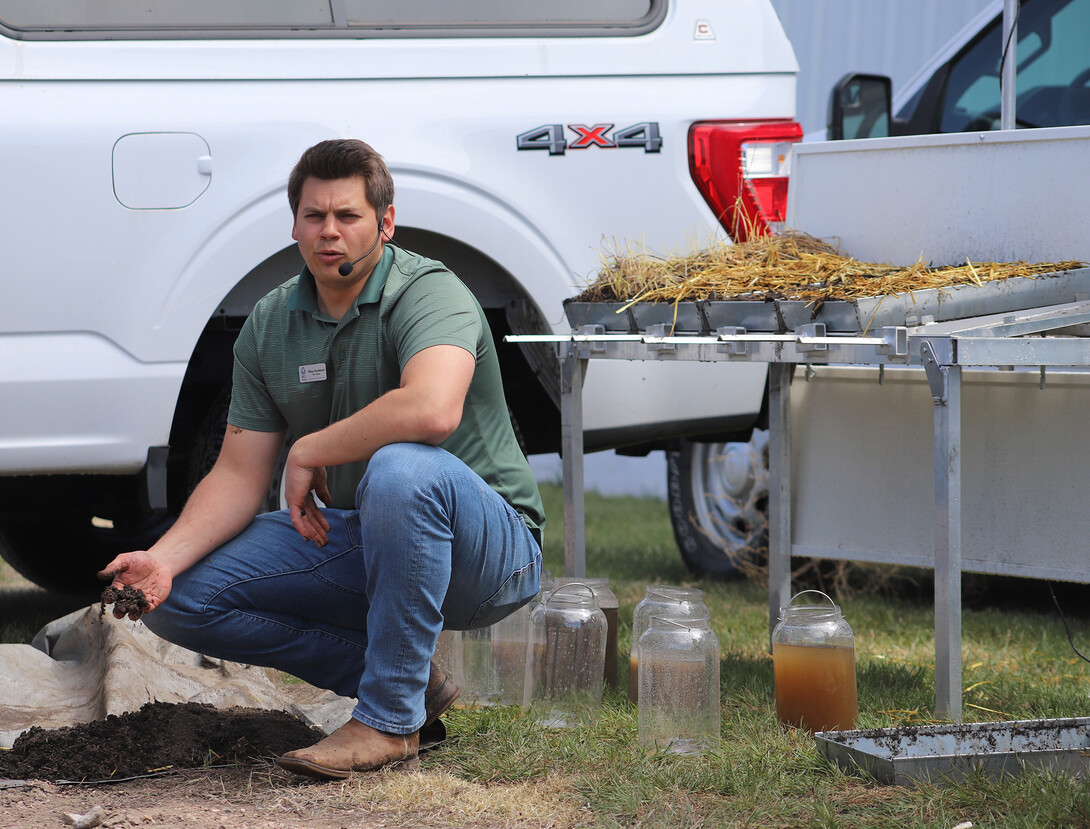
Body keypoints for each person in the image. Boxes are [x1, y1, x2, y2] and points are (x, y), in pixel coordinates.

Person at [98, 138, 545, 779]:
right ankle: (409, 685)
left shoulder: (431, 293)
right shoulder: (272, 322)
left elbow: (432, 410)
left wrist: (310, 448)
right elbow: (236, 474)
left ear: (385, 223)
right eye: (314, 217)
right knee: (178, 597)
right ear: (295, 224)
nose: (328, 232)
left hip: (488, 557)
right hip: (370, 535)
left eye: (348, 216)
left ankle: (388, 723)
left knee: (400, 469)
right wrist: (161, 561)